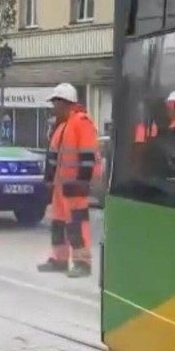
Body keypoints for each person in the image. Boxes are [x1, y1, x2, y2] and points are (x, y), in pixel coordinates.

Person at [38, 83, 102, 278]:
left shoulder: (81, 122)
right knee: (58, 223)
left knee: (76, 224)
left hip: (74, 185)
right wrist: (49, 180)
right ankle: (60, 259)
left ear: (65, 103)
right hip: (61, 187)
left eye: (55, 103)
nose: (53, 107)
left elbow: (87, 155)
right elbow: (53, 157)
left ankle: (83, 263)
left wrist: (82, 181)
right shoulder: (63, 125)